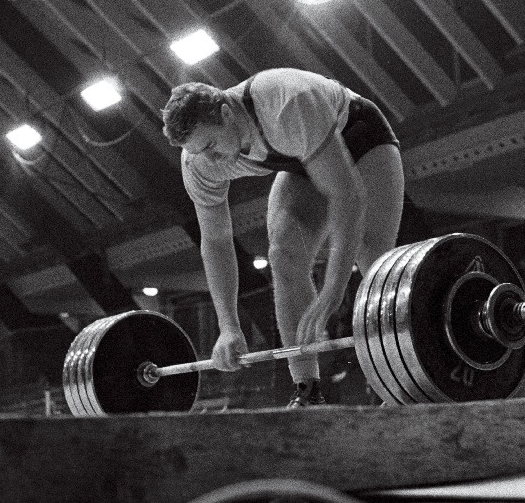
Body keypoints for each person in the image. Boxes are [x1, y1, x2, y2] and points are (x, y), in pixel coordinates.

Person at [162, 68, 404, 407]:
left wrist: (332, 293)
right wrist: (228, 326)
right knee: (283, 255)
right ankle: (308, 390)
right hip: (302, 160)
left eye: (212, 145)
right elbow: (215, 241)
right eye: (199, 151)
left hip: (359, 138)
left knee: (375, 267)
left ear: (227, 113)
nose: (211, 159)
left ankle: (396, 385)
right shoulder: (198, 162)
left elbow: (348, 197)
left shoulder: (286, 103)